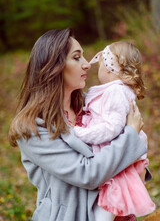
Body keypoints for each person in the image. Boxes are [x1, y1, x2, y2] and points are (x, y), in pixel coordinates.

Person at [8, 29, 148, 221]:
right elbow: (87, 174)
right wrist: (131, 135)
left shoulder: (92, 105)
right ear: (53, 66)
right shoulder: (31, 127)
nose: (87, 64)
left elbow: (127, 145)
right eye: (76, 57)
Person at [73, 41, 156, 220]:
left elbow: (111, 127)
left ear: (110, 69)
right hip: (119, 160)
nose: (98, 68)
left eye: (101, 64)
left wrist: (79, 133)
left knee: (104, 214)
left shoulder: (116, 93)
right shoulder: (112, 91)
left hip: (119, 167)